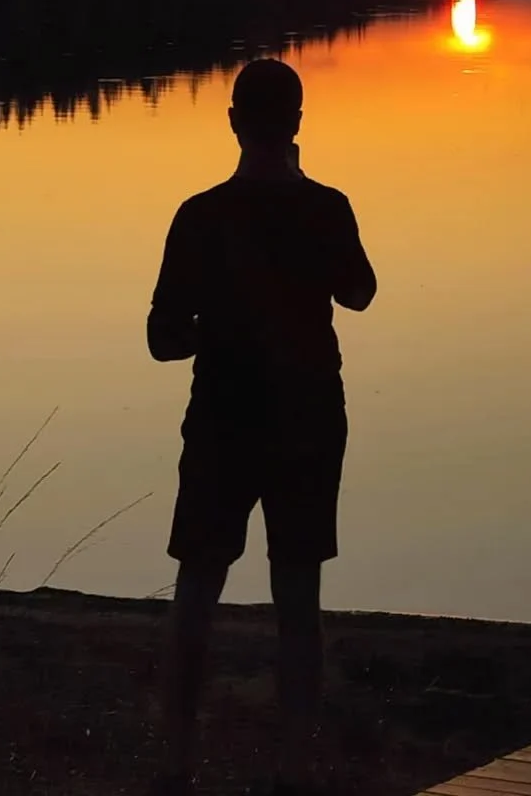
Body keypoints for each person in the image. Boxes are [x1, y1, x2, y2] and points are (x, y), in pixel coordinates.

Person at [147, 58, 377, 795]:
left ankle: (178, 761)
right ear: (298, 124)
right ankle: (294, 769)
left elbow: (161, 338)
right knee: (298, 592)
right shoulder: (327, 207)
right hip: (308, 418)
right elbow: (362, 293)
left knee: (197, 585)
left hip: (221, 416)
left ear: (235, 122)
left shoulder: (199, 214)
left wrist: (216, 324)